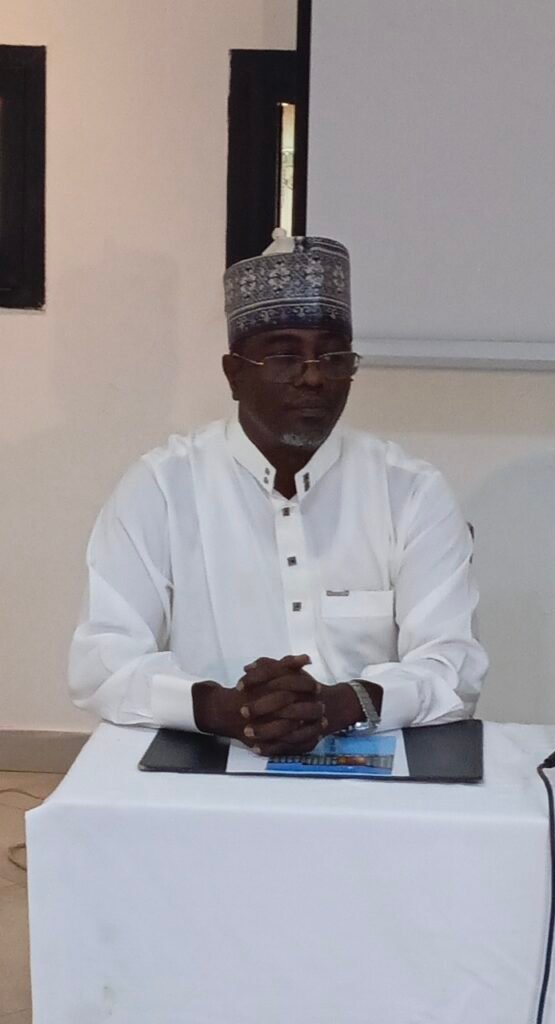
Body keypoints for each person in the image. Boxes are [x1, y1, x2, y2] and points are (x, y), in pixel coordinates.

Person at [69, 231, 488, 756]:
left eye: (333, 357)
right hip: (212, 759)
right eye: (285, 358)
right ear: (234, 375)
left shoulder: (410, 491)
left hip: (372, 760)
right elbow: (101, 660)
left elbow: (454, 666)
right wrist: (223, 709)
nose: (313, 378)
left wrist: (341, 704)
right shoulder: (162, 487)